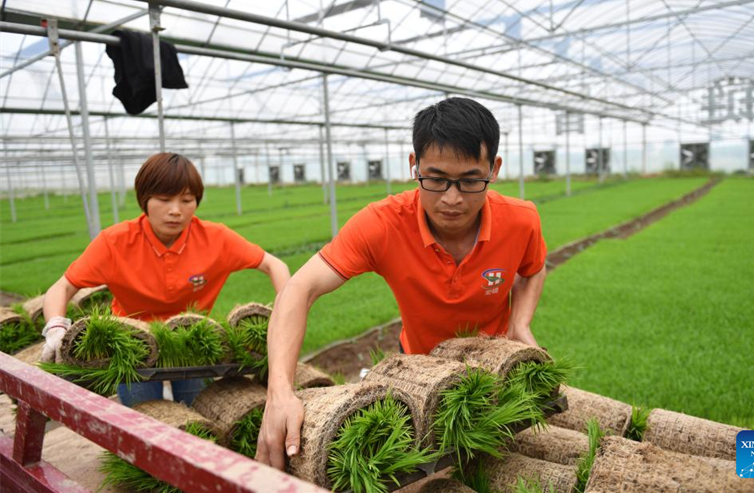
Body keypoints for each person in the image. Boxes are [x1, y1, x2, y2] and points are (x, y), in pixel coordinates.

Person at [256, 97, 548, 469]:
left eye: (471, 180)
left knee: (499, 467)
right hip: (418, 374)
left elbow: (533, 268)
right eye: (437, 179)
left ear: (494, 170)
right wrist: (279, 391)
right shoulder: (382, 224)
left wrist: (519, 323)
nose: (452, 198)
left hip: (493, 370)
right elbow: (300, 289)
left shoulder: (522, 220)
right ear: (414, 167)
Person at [40, 152, 290, 406]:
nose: (175, 211)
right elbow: (64, 286)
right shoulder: (115, 243)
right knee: (141, 418)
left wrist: (286, 314)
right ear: (145, 199)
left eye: (186, 200)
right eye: (164, 199)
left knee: (200, 416)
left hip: (192, 341)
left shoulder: (216, 239)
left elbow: (273, 264)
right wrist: (56, 327)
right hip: (132, 344)